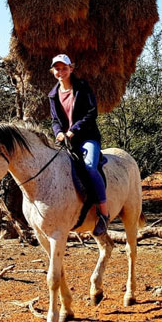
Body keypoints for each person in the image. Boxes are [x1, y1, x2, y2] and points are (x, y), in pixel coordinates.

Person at [48, 54, 110, 236]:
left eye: (64, 68)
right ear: (53, 71)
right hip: (66, 140)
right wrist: (58, 132)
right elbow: (54, 120)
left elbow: (92, 113)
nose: (61, 72)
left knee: (90, 167)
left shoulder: (82, 88)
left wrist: (73, 130)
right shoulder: (53, 95)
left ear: (71, 69)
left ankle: (103, 214)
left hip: (87, 137)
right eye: (57, 69)